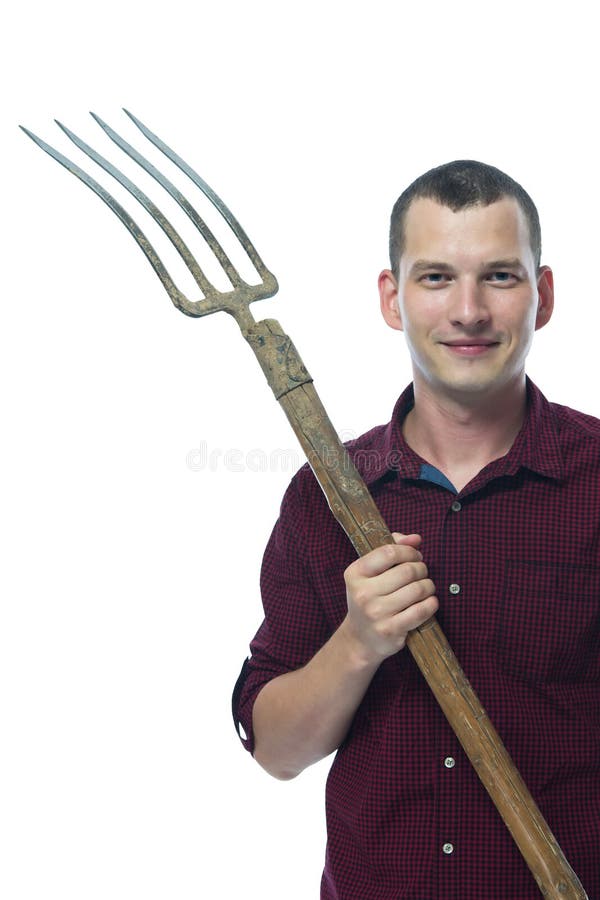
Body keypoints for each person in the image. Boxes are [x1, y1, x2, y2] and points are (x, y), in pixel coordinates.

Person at [232, 161, 600, 899]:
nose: (468, 311)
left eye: (499, 276)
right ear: (392, 299)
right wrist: (358, 642)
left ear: (544, 295)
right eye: (435, 278)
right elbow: (276, 749)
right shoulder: (325, 497)